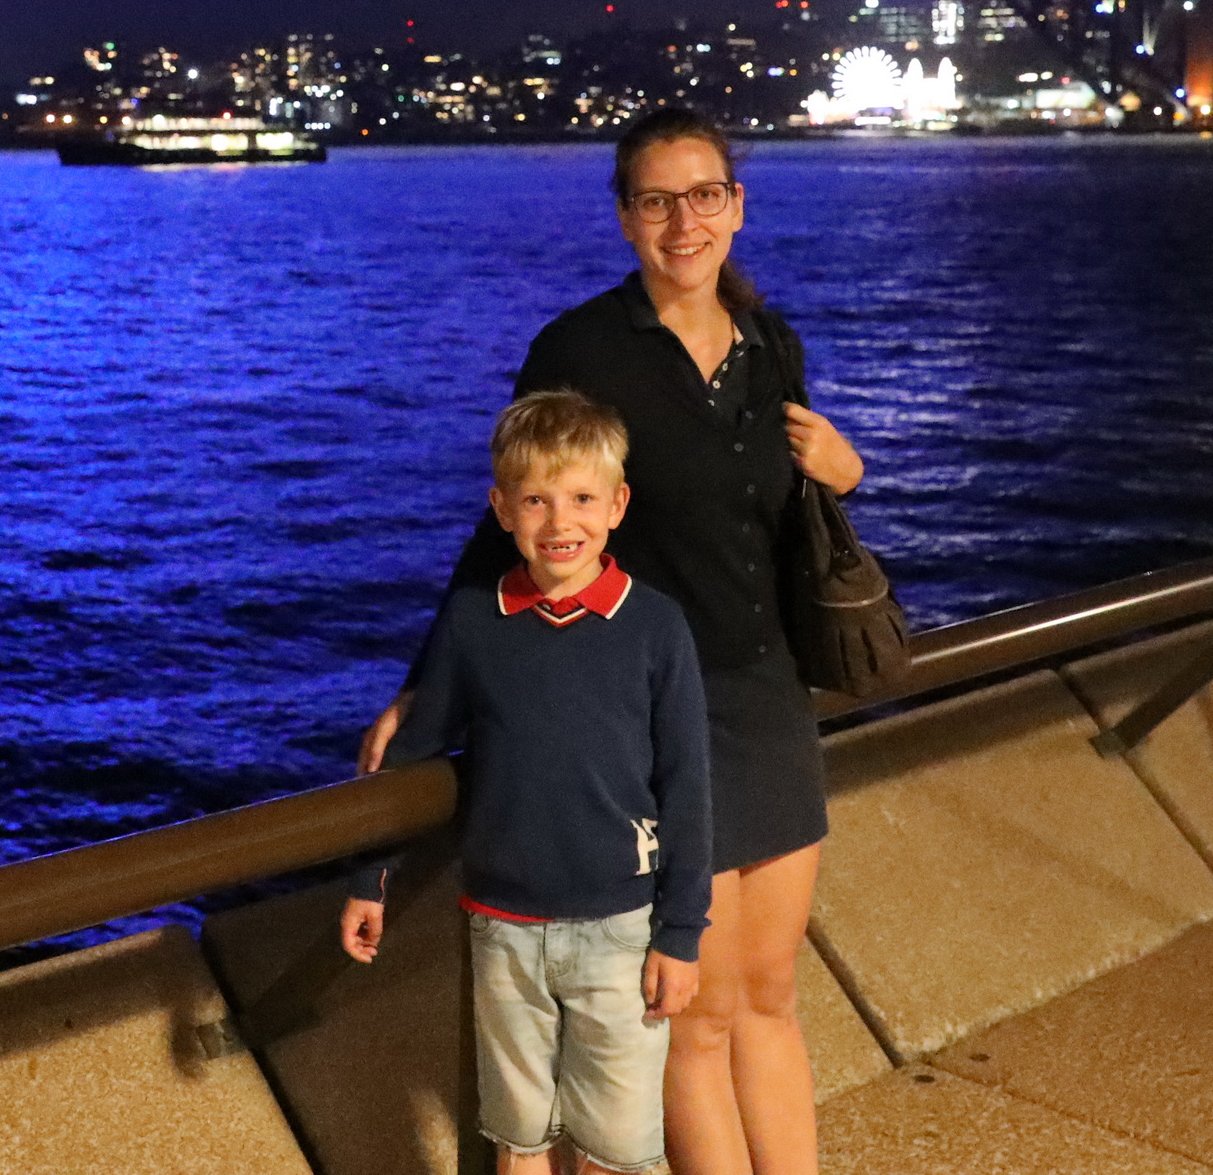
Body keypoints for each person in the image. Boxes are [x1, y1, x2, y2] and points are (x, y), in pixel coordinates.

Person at [363, 105, 863, 1175]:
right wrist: (421, 687)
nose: (684, 220)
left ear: (739, 203)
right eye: (656, 198)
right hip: (653, 710)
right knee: (697, 1011)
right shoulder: (582, 348)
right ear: (625, 215)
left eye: (705, 194)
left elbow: (793, 517)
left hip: (770, 694)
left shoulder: (774, 344)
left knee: (771, 994)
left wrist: (848, 472)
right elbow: (509, 515)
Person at [342, 389, 712, 1175]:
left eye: (581, 498)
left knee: (619, 1149)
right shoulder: (475, 621)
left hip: (623, 927)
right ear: (501, 509)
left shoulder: (656, 628)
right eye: (536, 500)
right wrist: (370, 880)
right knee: (519, 1139)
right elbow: (415, 750)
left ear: (617, 505)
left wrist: (680, 934)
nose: (559, 522)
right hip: (500, 928)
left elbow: (688, 787)